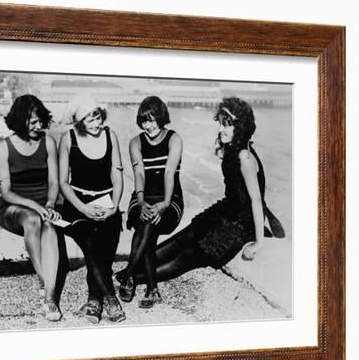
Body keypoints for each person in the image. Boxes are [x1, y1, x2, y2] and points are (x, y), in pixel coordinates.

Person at [116, 97, 284, 285]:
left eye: (227, 126)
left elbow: (256, 200)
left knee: (187, 256)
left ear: (241, 128)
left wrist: (258, 242)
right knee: (181, 239)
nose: (221, 129)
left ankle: (129, 278)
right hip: (224, 212)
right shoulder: (231, 149)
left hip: (239, 225)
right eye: (220, 124)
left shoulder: (245, 156)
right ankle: (129, 270)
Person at [0, 94, 63, 321]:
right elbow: (6, 192)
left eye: (40, 120)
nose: (38, 125)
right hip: (13, 208)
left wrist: (50, 203)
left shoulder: (48, 142)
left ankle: (50, 297)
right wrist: (35, 205)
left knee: (50, 226)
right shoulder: (4, 148)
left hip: (44, 205)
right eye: (32, 121)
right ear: (19, 120)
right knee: (33, 219)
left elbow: (54, 183)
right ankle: (44, 278)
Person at [58, 95, 126, 324]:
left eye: (97, 117)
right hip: (77, 207)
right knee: (90, 245)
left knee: (104, 253)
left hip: (107, 204)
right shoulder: (68, 139)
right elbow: (63, 183)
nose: (96, 123)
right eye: (89, 120)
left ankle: (93, 300)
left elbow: (117, 174)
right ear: (79, 122)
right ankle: (110, 298)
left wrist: (115, 205)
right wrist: (84, 209)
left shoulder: (111, 135)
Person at [119, 96, 184, 308]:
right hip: (142, 197)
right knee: (147, 226)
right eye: (144, 120)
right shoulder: (135, 142)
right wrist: (139, 201)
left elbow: (169, 173)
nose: (149, 125)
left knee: (148, 226)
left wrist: (165, 203)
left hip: (170, 197)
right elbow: (139, 174)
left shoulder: (174, 139)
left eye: (153, 119)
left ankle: (129, 275)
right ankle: (151, 289)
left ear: (161, 117)